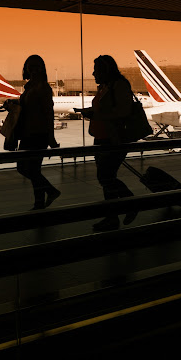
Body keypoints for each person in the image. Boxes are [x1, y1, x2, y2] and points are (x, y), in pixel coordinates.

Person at [74, 55, 137, 231]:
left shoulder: (119, 85)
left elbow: (123, 111)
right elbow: (105, 110)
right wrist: (89, 112)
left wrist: (96, 115)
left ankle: (130, 203)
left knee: (106, 177)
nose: (93, 73)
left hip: (114, 139)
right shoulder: (105, 87)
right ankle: (113, 216)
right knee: (106, 178)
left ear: (105, 70)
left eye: (96, 69)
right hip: (101, 137)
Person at [13, 54, 61, 210]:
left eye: (36, 66)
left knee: (25, 168)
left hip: (38, 134)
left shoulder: (43, 87)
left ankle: (50, 192)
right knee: (33, 170)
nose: (33, 69)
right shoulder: (30, 86)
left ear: (42, 69)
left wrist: (51, 137)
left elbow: (49, 113)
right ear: (26, 68)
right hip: (28, 133)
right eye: (30, 66)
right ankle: (39, 204)